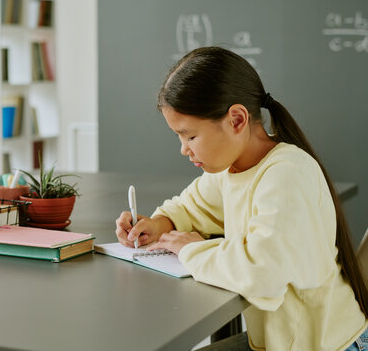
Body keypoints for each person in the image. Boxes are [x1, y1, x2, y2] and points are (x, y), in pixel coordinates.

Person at [115, 47, 367, 350]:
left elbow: (264, 270)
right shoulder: (231, 169)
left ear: (236, 120)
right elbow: (192, 206)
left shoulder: (287, 173)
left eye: (190, 136)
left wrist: (191, 250)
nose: (184, 149)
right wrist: (158, 223)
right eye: (179, 137)